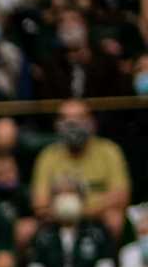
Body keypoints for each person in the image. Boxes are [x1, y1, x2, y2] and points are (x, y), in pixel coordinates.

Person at [31, 101, 132, 243]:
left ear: (92, 122)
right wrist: (64, 213)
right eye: (65, 119)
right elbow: (40, 203)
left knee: (115, 219)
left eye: (79, 118)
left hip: (97, 218)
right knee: (27, 229)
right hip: (58, 221)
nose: (72, 125)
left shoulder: (109, 151)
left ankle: (110, 263)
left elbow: (121, 196)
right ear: (57, 124)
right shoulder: (48, 155)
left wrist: (80, 212)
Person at [30, 172, 117, 267]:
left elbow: (106, 265)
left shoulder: (97, 231)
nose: (65, 199)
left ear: (82, 199)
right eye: (59, 194)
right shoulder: (43, 234)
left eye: (71, 192)